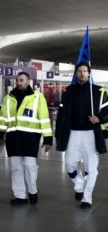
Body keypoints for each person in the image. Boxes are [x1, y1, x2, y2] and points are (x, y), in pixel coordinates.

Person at [55, 62, 108, 209]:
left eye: (85, 71)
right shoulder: (68, 92)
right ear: (76, 74)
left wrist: (99, 118)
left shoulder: (99, 91)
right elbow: (61, 115)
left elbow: (107, 111)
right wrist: (57, 134)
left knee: (92, 168)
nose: (82, 73)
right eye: (79, 71)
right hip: (73, 133)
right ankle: (79, 183)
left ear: (89, 73)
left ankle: (87, 197)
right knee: (70, 164)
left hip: (92, 134)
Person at [0, 72, 52, 205]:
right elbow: (3, 118)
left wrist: (48, 138)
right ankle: (20, 196)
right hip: (13, 137)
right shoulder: (8, 98)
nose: (19, 83)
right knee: (16, 167)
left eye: (22, 80)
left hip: (31, 137)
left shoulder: (38, 97)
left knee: (30, 165)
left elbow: (44, 118)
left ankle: (33, 191)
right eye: (17, 80)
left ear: (28, 81)